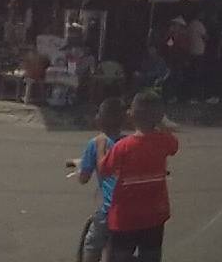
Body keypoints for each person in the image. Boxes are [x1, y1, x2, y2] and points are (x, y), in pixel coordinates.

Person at [99, 91, 179, 262]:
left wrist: (100, 146)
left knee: (120, 256)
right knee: (151, 255)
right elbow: (174, 146)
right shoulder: (164, 141)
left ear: (131, 115)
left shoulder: (122, 146)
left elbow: (104, 170)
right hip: (155, 214)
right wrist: (161, 123)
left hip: (125, 218)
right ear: (160, 116)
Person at [75, 98, 125, 262]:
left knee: (92, 243)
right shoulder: (128, 143)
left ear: (100, 119)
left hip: (109, 209)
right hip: (131, 208)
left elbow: (83, 178)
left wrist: (80, 167)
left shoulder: (96, 143)